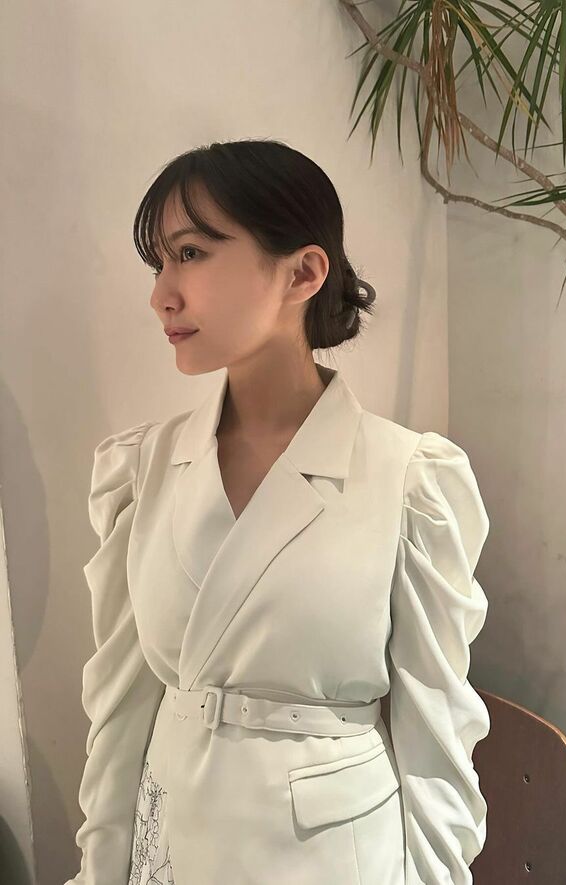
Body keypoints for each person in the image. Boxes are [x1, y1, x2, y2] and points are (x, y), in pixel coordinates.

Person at [65, 139, 491, 885]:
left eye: (190, 253)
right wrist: (100, 870)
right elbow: (119, 714)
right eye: (159, 263)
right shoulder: (140, 470)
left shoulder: (408, 481)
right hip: (170, 852)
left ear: (302, 272)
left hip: (331, 857)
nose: (162, 294)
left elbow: (438, 745)